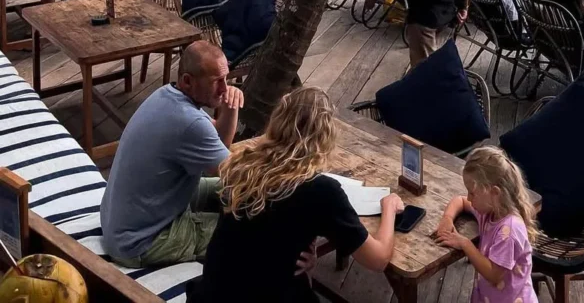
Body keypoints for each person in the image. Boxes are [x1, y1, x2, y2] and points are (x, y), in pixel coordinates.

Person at [187, 87, 404, 302]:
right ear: (325, 136)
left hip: (213, 294)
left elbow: (261, 238)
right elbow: (378, 260)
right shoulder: (320, 190)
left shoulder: (242, 165)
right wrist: (389, 207)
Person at [101, 41, 244, 267]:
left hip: (124, 222)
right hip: (141, 242)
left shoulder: (166, 94)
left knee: (230, 192)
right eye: (217, 82)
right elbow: (234, 173)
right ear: (188, 81)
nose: (225, 89)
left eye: (227, 79)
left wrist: (230, 107)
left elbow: (218, 142)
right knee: (243, 231)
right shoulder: (190, 122)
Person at [435, 146, 539, 303]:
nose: (469, 198)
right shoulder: (490, 210)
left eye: (472, 193)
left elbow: (494, 275)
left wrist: (465, 243)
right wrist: (447, 218)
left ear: (495, 193)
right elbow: (460, 201)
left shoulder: (509, 231)